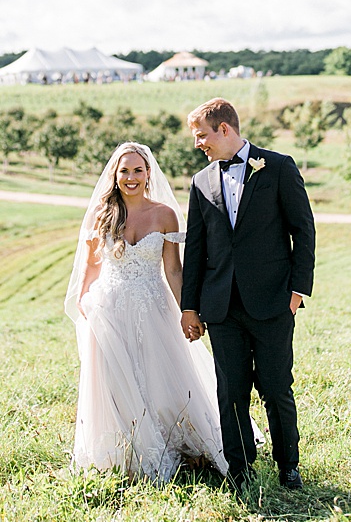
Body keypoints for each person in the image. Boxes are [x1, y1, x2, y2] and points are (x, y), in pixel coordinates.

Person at [65, 142, 239, 483]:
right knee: (116, 382)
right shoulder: (102, 214)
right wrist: (86, 303)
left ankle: (175, 443)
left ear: (148, 174)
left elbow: (174, 270)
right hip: (109, 310)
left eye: (138, 170)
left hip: (152, 308)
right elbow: (89, 268)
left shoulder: (164, 214)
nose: (131, 177)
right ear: (115, 176)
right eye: (124, 171)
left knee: (160, 378)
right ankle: (125, 451)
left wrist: (188, 311)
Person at [180, 98, 316, 492]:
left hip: (273, 302)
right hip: (221, 307)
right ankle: (239, 469)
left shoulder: (277, 167)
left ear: (225, 129)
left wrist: (296, 292)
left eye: (201, 135)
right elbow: (196, 249)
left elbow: (303, 231)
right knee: (231, 391)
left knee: (275, 387)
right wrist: (191, 306)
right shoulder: (201, 181)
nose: (198, 144)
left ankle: (288, 464)